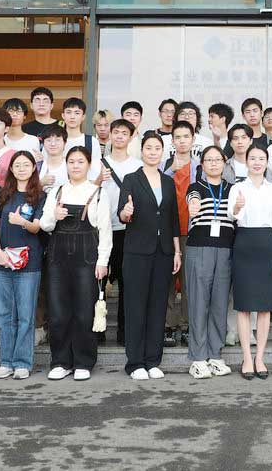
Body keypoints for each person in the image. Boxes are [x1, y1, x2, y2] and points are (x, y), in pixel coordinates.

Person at [39, 147, 112, 381]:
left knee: (84, 311)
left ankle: (83, 362)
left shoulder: (98, 192)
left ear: (88, 165)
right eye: (71, 161)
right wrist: (54, 216)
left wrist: (102, 261)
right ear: (66, 165)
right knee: (58, 311)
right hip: (57, 257)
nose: (76, 166)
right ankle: (60, 361)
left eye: (80, 161)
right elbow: (44, 225)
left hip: (87, 257)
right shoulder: (57, 191)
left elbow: (105, 231)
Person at [118, 134, 181, 380]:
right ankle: (135, 363)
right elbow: (122, 214)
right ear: (142, 151)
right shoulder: (131, 179)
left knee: (158, 306)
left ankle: (153, 360)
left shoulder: (168, 182)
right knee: (136, 306)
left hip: (163, 252)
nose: (153, 152)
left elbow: (173, 219)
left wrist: (177, 250)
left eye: (157, 148)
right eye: (149, 148)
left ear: (163, 152)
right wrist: (126, 212)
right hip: (137, 251)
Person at [228, 144, 272, 380]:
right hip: (244, 243)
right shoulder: (237, 187)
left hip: (268, 245)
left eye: (261, 158)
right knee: (244, 305)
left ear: (267, 162)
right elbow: (231, 216)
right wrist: (237, 207)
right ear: (246, 162)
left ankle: (260, 357)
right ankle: (246, 357)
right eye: (252, 158)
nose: (256, 162)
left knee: (265, 306)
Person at [0, 151, 46, 380]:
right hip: (2, 261)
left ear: (33, 168)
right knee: (3, 315)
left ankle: (22, 362)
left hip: (29, 263)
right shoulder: (3, 193)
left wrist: (22, 221)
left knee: (25, 315)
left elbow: (37, 227)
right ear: (11, 169)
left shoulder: (40, 196)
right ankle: (6, 362)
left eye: (26, 165)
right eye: (17, 165)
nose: (21, 169)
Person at [183, 146, 236, 379]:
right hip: (200, 248)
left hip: (225, 250)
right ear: (202, 165)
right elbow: (192, 200)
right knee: (198, 302)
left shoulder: (233, 189)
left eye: (217, 160)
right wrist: (193, 205)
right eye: (209, 160)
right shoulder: (196, 187)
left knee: (219, 304)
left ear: (224, 163)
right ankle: (197, 358)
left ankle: (215, 355)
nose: (213, 163)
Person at [100, 118, 144, 346]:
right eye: (115, 132)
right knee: (98, 284)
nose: (119, 136)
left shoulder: (138, 165)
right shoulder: (98, 163)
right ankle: (97, 332)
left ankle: (125, 334)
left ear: (131, 136)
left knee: (128, 284)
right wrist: (98, 179)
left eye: (124, 133)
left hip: (127, 231)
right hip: (101, 229)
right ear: (109, 134)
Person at [162, 120, 200, 346]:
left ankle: (186, 325)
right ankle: (168, 325)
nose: (182, 141)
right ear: (172, 141)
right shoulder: (163, 165)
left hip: (191, 230)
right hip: (167, 231)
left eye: (186, 136)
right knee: (167, 280)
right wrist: (170, 171)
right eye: (178, 137)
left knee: (188, 282)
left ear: (193, 139)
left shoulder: (200, 166)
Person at [61, 97, 103, 182]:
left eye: (77, 113)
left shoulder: (91, 141)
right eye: (68, 112)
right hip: (60, 187)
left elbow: (95, 171)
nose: (72, 117)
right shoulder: (54, 141)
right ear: (63, 116)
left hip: (85, 187)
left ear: (83, 117)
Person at [38, 124, 69, 190]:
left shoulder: (70, 166)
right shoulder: (37, 167)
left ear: (65, 143)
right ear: (43, 143)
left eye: (57, 140)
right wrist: (40, 183)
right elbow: (27, 191)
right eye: (49, 140)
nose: (53, 144)